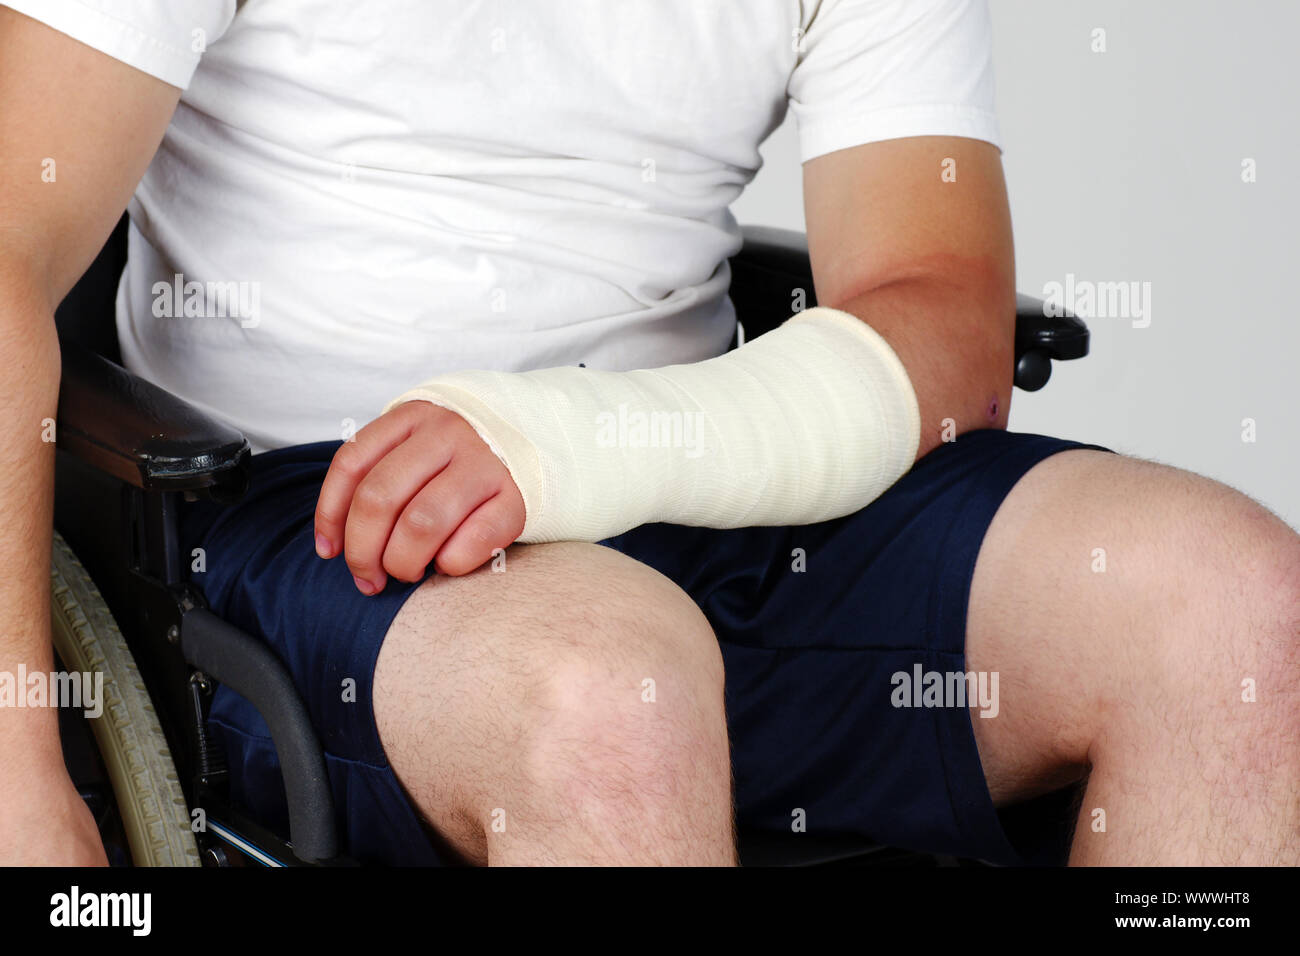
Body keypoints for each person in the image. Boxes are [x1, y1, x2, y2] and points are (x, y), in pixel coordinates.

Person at [1, 0, 1296, 867]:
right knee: (615, 693)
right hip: (310, 514)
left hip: (698, 477)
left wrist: (571, 441)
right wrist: (16, 774)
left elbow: (942, 308)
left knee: (1235, 612)